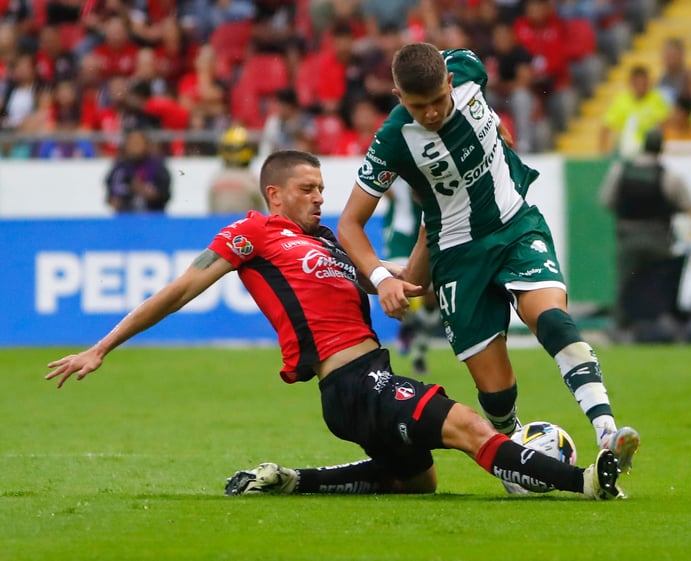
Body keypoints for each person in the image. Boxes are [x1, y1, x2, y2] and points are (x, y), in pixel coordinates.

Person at [45, 150, 624, 500]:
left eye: (323, 189)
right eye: (307, 189)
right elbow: (177, 292)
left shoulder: (328, 243)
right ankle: (586, 483)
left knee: (418, 482)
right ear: (275, 193)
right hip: (352, 382)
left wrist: (433, 222)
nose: (320, 199)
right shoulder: (252, 233)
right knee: (470, 426)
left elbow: (406, 284)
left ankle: (294, 479)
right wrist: (101, 347)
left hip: (366, 383)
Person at [337, 43, 640, 474]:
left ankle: (607, 431)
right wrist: (383, 277)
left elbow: (477, 93)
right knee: (496, 391)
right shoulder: (392, 140)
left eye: (439, 100)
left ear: (450, 80)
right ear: (398, 97)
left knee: (551, 318)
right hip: (458, 257)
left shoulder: (466, 66)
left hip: (515, 225)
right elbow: (350, 223)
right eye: (418, 106)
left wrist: (495, 122)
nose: (431, 114)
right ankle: (517, 454)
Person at [599, 128, 691, 339]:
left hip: (628, 237)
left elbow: (606, 200)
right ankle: (660, 327)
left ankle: (620, 328)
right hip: (659, 238)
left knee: (624, 283)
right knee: (659, 284)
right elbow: (687, 205)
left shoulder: (621, 170)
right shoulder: (668, 176)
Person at [381, 176, 439, 375]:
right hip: (400, 234)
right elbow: (377, 184)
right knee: (405, 284)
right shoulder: (392, 153)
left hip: (428, 230)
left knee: (432, 298)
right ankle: (408, 323)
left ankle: (419, 352)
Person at [104, 130, 172, 213]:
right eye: (132, 143)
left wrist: (146, 192)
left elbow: (165, 194)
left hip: (152, 217)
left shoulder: (157, 166)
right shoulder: (119, 168)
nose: (134, 147)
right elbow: (111, 194)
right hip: (125, 218)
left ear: (146, 145)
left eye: (138, 143)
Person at [208, 125, 266, 214]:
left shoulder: (216, 179)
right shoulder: (252, 179)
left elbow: (212, 211)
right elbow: (262, 210)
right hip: (246, 225)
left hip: (223, 226)